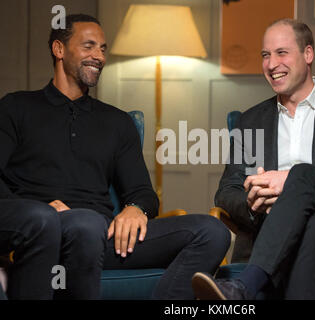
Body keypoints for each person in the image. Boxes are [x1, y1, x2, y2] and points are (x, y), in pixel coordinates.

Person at [0, 14, 230, 300]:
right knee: (84, 223)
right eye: (88, 46)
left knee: (212, 231)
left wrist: (136, 208)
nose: (98, 56)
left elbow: (143, 193)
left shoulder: (117, 122)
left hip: (102, 239)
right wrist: (40, 211)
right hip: (39, 233)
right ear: (59, 50)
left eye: (103, 49)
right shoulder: (17, 107)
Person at [192, 19, 315, 300]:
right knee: (313, 224)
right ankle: (244, 286)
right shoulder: (251, 121)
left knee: (303, 174)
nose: (272, 64)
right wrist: (251, 203)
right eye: (265, 55)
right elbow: (226, 191)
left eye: (282, 53)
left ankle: (245, 286)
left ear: (308, 54)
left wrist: (289, 181)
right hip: (276, 231)